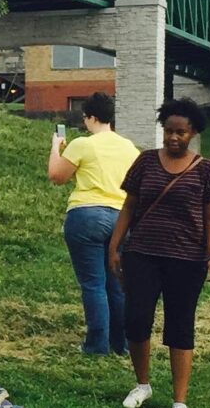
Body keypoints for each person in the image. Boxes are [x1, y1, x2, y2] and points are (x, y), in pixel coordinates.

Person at [108, 98, 210, 408]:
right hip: (142, 254)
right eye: (169, 131)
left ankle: (179, 400)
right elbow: (129, 207)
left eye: (181, 133)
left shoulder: (205, 169)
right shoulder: (145, 162)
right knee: (135, 319)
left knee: (180, 325)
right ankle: (142, 385)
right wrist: (115, 246)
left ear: (193, 133)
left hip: (187, 260)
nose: (174, 138)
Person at [48, 92, 141, 356]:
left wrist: (56, 147)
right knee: (116, 283)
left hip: (87, 215)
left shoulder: (83, 145)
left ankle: (96, 346)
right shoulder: (129, 148)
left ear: (90, 118)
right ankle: (121, 344)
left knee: (93, 283)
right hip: (122, 218)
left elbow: (56, 176)